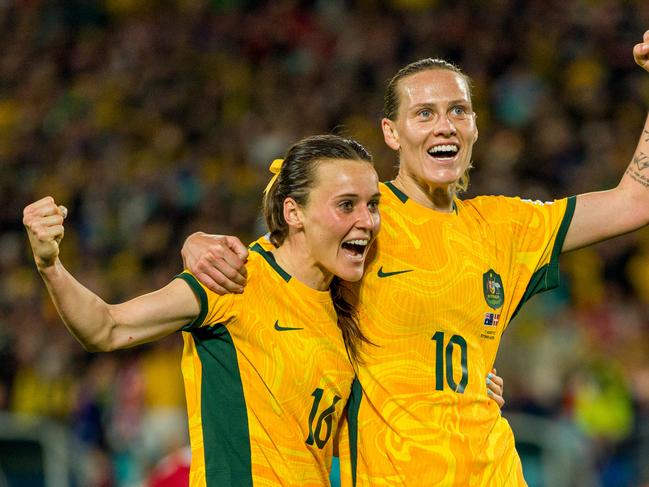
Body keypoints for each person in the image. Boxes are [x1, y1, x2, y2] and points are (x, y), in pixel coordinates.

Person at [181, 31, 649, 485]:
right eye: (424, 113)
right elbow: (274, 271)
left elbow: (634, 202)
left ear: (474, 126)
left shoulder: (508, 226)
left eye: (457, 111)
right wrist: (198, 244)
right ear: (391, 132)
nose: (444, 125)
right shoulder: (360, 219)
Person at [23, 134, 382, 486]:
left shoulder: (347, 312)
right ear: (293, 212)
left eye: (373, 205)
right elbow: (106, 328)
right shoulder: (233, 279)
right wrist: (50, 265)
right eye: (346, 205)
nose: (367, 221)